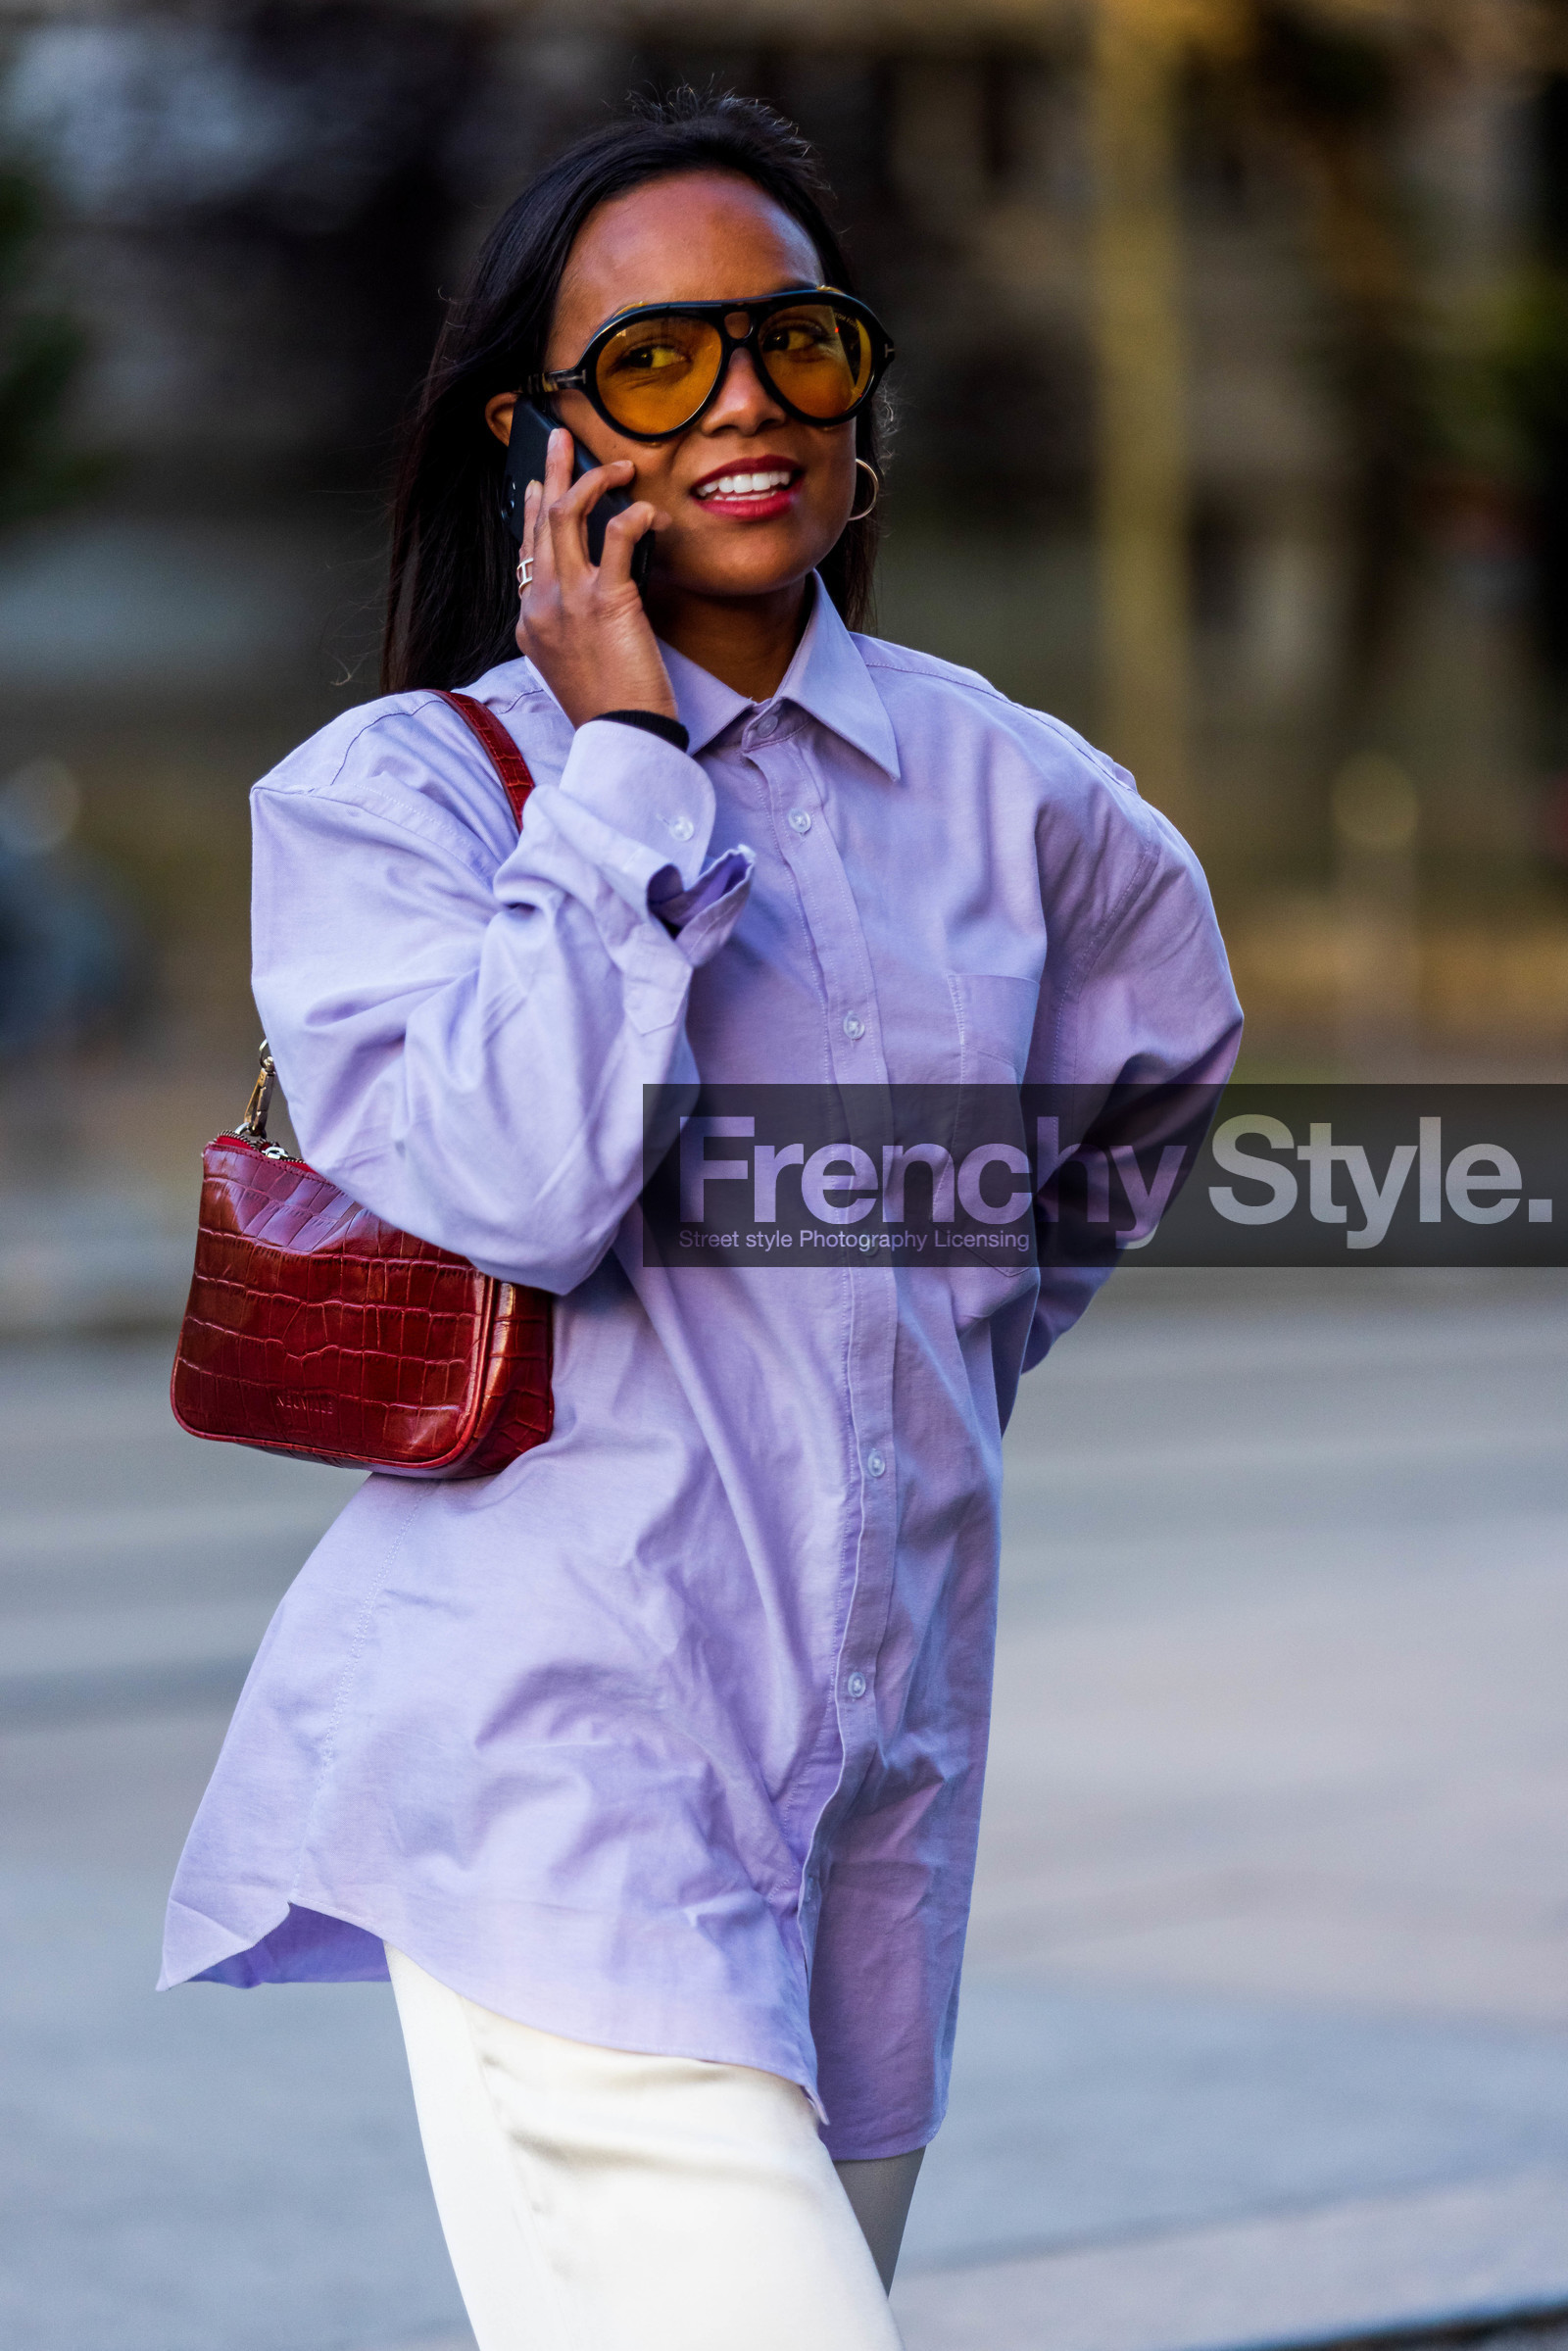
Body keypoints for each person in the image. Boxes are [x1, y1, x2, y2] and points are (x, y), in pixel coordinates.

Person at [161, 90, 1242, 2351]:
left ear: (863, 398)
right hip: (552, 1799)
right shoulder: (386, 808)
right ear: (537, 444)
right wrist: (624, 767)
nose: (742, 400)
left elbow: (1145, 1085)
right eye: (654, 361)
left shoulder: (1020, 795)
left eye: (793, 342)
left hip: (871, 1813)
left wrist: (936, 1333)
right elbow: (524, 1185)